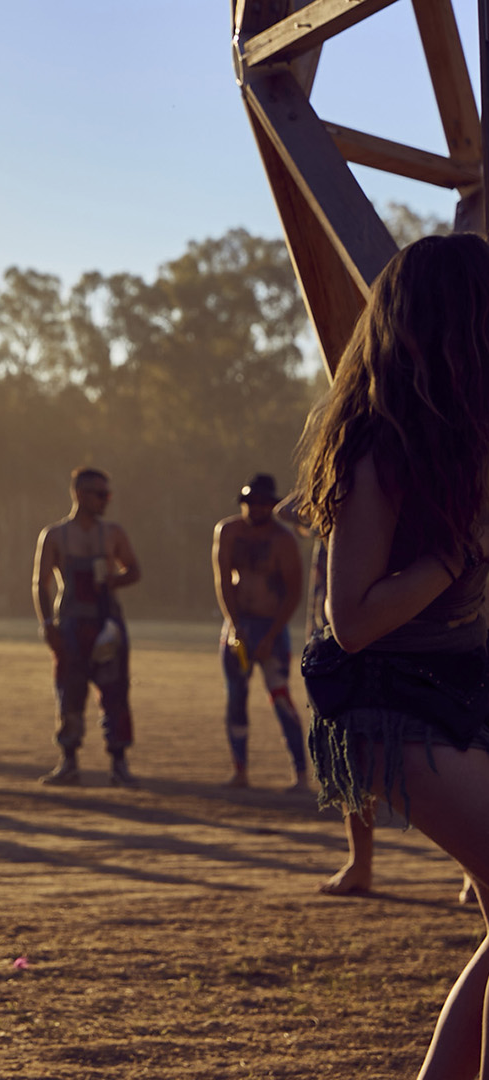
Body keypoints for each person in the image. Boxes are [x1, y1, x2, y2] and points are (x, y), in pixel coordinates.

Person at [296, 233, 489, 1075]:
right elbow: (353, 621)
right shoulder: (381, 452)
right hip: (390, 696)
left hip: (467, 687)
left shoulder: (472, 444)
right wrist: (458, 554)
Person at [32, 466, 141, 786]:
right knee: (69, 692)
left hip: (107, 623)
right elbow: (40, 583)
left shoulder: (113, 533)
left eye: (108, 494)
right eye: (100, 494)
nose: (106, 500)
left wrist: (112, 580)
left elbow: (134, 570)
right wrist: (47, 625)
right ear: (79, 494)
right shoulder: (55, 535)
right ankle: (69, 761)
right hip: (70, 624)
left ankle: (119, 763)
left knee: (116, 692)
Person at [211, 473, 309, 791]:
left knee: (280, 698)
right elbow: (223, 580)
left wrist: (270, 636)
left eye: (264, 503)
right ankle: (239, 770)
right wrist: (235, 624)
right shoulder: (228, 532)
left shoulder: (283, 541)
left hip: (271, 627)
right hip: (238, 626)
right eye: (252, 503)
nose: (257, 509)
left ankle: (299, 774)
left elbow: (294, 591)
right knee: (235, 698)